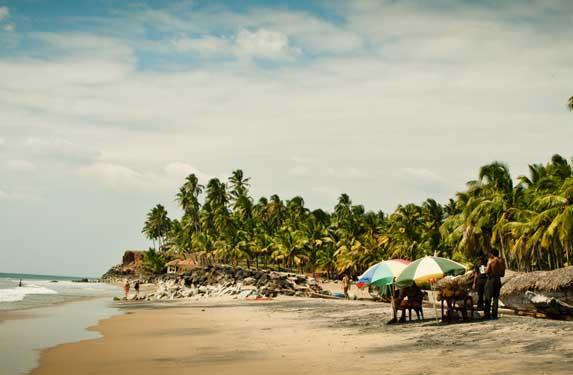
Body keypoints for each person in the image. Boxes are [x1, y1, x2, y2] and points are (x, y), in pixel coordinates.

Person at [484, 249, 506, 319]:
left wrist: (485, 269)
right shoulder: (502, 261)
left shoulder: (491, 261)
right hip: (498, 279)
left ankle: (487, 314)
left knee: (488, 297)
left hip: (491, 279)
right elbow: (503, 274)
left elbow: (487, 272)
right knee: (496, 298)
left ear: (492, 254)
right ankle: (494, 314)